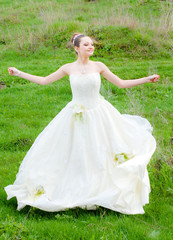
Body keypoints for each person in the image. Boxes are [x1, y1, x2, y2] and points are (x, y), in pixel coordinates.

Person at [5, 33, 160, 214]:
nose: (91, 47)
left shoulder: (99, 66)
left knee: (103, 150)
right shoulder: (68, 68)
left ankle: (103, 189)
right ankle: (76, 187)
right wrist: (18, 73)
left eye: (92, 44)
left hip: (99, 114)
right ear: (77, 48)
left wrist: (146, 79)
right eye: (86, 44)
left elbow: (122, 84)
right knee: (75, 152)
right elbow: (44, 81)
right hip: (75, 115)